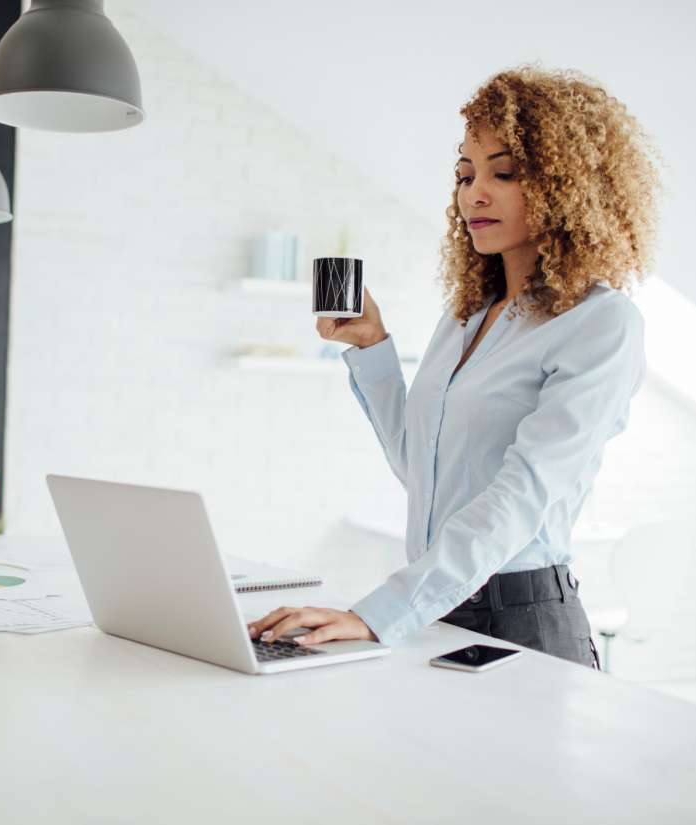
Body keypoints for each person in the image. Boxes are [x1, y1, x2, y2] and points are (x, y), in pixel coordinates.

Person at [247, 65, 662, 668]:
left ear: (570, 185)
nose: (475, 194)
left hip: (522, 618)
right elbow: (422, 470)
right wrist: (372, 347)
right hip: (432, 605)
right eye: (466, 175)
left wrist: (377, 613)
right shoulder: (466, 316)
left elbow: (521, 497)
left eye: (505, 172)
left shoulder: (602, 324)